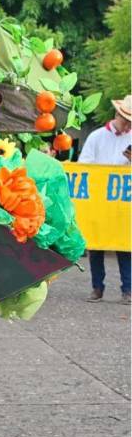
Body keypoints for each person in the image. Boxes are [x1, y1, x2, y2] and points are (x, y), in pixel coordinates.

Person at [79, 95, 131, 303]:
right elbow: (84, 164)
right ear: (117, 114)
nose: (127, 124)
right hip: (99, 200)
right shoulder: (97, 136)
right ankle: (97, 287)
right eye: (125, 118)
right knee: (96, 245)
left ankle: (128, 289)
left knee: (125, 245)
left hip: (123, 201)